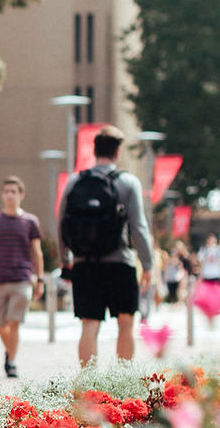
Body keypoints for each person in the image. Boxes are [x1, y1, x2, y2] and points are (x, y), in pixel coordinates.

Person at [56, 126, 155, 367]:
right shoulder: (128, 182)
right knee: (125, 322)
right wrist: (148, 264)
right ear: (117, 151)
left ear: (95, 149)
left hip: (84, 263)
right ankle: (122, 381)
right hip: (120, 262)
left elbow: (61, 223)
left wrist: (65, 259)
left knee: (89, 324)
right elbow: (139, 228)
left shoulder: (75, 181)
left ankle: (90, 385)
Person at [0, 176, 43, 378]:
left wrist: (40, 278)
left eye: (13, 192)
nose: (10, 195)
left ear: (21, 195)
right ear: (2, 195)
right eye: (6, 191)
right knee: (1, 325)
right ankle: (9, 351)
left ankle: (11, 362)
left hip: (22, 278)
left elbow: (37, 252)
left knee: (13, 322)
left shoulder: (30, 221)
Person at [160, 240, 193, 306]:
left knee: (183, 290)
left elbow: (188, 266)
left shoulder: (185, 256)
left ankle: (184, 301)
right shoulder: (174, 257)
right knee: (177, 290)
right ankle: (178, 302)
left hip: (183, 275)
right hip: (176, 276)